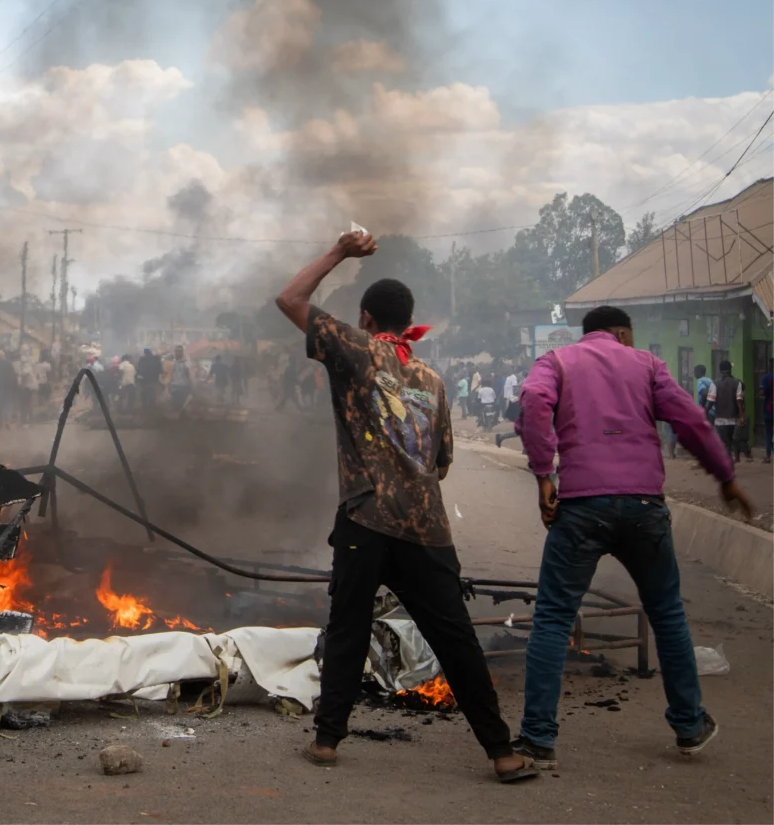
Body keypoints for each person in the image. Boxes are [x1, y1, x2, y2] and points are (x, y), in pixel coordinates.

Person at [276, 230, 537, 783]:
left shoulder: (354, 349)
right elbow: (441, 462)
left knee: (348, 627)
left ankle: (326, 743)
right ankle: (502, 753)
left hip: (366, 518)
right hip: (427, 527)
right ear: (406, 320)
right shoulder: (433, 381)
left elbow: (290, 300)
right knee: (456, 638)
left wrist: (339, 253)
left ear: (367, 318)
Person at [513, 306, 755, 768]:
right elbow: (690, 422)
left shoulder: (557, 362)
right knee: (666, 614)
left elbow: (532, 403)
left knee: (552, 618)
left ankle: (538, 736)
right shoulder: (646, 364)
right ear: (622, 333)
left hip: (581, 506)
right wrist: (725, 477)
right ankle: (689, 725)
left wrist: (544, 475)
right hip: (645, 506)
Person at [706, 360, 744, 463]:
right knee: (730, 442)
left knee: (724, 444)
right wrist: (741, 416)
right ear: (730, 369)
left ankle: (729, 464)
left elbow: (710, 402)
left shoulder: (715, 384)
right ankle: (729, 463)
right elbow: (739, 401)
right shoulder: (737, 383)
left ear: (720, 370)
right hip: (733, 419)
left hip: (720, 420)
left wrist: (704, 412)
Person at [0, 349, 16, 426]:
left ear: (0, 356)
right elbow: (12, 376)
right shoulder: (8, 364)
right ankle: (6, 420)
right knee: (6, 404)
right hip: (6, 386)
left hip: (0, 386)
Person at [167, 345, 193, 413]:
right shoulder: (174, 363)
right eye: (176, 351)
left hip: (183, 388)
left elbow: (191, 375)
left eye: (179, 351)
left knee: (182, 408)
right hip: (174, 388)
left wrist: (192, 387)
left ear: (182, 352)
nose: (177, 353)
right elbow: (171, 375)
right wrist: (168, 385)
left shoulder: (187, 363)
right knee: (174, 408)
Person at [136, 348, 163, 413]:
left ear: (144, 353)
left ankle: (145, 408)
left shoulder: (141, 360)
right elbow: (160, 370)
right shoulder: (156, 359)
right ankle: (152, 409)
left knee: (144, 395)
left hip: (144, 381)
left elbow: (138, 370)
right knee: (152, 394)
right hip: (153, 380)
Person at [762, 366, 774, 463]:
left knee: (769, 433)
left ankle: (768, 456)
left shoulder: (766, 378)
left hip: (769, 409)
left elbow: (763, 392)